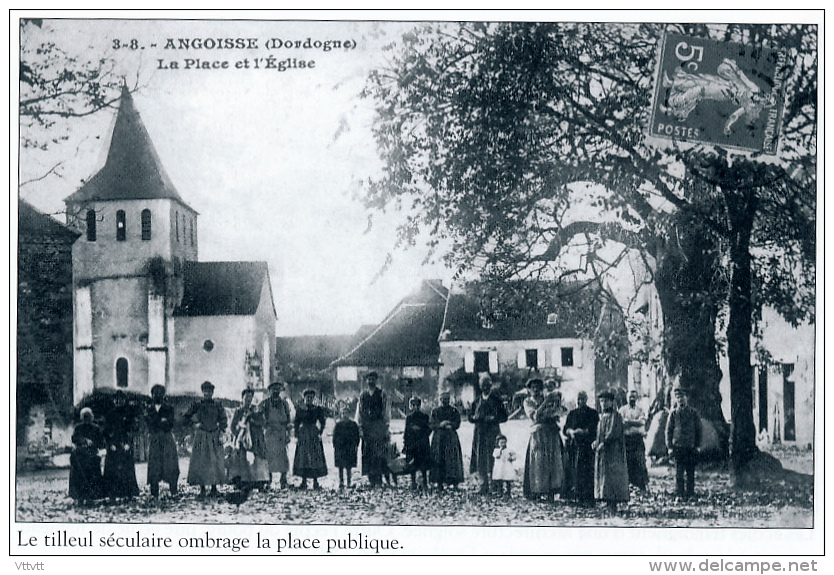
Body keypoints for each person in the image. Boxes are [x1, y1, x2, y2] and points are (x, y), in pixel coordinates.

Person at [183, 381, 227, 499]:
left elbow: (223, 419)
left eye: (210, 391)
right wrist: (194, 424)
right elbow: (186, 417)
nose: (207, 393)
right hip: (202, 435)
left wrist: (221, 430)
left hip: (214, 435)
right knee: (201, 461)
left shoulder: (218, 404)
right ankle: (202, 489)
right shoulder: (197, 404)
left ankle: (214, 488)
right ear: (202, 392)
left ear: (212, 392)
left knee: (214, 461)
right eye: (205, 391)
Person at [522, 378, 564, 501]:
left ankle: (551, 490)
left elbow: (556, 413)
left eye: (538, 387)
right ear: (529, 390)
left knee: (552, 461)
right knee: (538, 462)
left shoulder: (549, 399)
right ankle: (538, 490)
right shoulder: (528, 402)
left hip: (551, 433)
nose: (535, 390)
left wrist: (546, 411)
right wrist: (545, 404)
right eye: (533, 387)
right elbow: (535, 416)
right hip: (538, 434)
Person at [469, 374, 508, 494]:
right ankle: (483, 484)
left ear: (490, 386)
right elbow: (470, 417)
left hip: (493, 432)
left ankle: (496, 484)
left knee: (495, 457)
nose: (485, 387)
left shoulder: (497, 400)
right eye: (483, 385)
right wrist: (475, 417)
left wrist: (494, 418)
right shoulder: (476, 401)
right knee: (480, 458)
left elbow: (504, 416)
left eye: (487, 385)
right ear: (480, 387)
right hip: (480, 433)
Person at [593, 389, 629, 511]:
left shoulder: (616, 416)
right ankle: (606, 499)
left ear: (611, 402)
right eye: (601, 401)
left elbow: (613, 432)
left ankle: (613, 501)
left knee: (613, 476)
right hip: (603, 451)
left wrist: (604, 443)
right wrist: (596, 442)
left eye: (606, 401)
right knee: (604, 475)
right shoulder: (602, 416)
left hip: (613, 451)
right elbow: (600, 433)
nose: (603, 404)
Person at [228, 388, 270, 490]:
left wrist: (253, 422)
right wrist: (239, 434)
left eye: (250, 397)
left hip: (256, 439)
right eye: (246, 397)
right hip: (242, 439)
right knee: (241, 459)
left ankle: (259, 482)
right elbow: (232, 426)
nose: (248, 400)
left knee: (258, 459)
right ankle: (241, 481)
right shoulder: (238, 411)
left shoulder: (256, 410)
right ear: (242, 398)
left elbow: (263, 422)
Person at [665, 386, 702, 500]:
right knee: (679, 473)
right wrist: (669, 447)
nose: (680, 400)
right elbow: (668, 431)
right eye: (678, 398)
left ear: (687, 398)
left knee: (690, 472)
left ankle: (690, 493)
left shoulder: (693, 413)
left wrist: (698, 445)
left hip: (690, 447)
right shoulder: (673, 414)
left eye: (682, 397)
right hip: (678, 447)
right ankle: (679, 494)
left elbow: (698, 430)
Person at [103, 391, 140, 501]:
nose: (118, 402)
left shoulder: (129, 414)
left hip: (125, 443)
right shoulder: (109, 414)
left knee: (126, 469)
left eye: (121, 399)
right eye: (116, 400)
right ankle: (112, 494)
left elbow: (133, 430)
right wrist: (110, 443)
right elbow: (105, 431)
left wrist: (128, 443)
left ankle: (128, 493)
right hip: (113, 444)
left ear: (124, 400)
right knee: (112, 469)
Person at [563, 390, 599, 506]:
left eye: (582, 399)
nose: (580, 402)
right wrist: (571, 431)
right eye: (578, 399)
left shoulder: (592, 413)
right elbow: (565, 428)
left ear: (586, 400)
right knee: (572, 470)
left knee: (586, 471)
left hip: (587, 447)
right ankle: (574, 495)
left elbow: (595, 429)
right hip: (573, 446)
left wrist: (583, 431)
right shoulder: (572, 413)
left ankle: (587, 496)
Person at [356, 371, 390, 488]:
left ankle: (379, 478)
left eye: (373, 379)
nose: (371, 381)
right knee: (367, 453)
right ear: (366, 381)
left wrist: (385, 426)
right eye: (369, 379)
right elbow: (359, 412)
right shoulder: (363, 395)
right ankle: (371, 478)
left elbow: (386, 411)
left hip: (378, 426)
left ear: (376, 381)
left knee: (379, 453)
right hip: (367, 427)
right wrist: (360, 427)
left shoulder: (381, 394)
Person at [146, 384, 180, 498]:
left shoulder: (169, 408)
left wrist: (157, 422)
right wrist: (160, 421)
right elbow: (149, 424)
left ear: (163, 395)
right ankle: (154, 492)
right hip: (155, 439)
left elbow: (170, 424)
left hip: (167, 439)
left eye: (160, 393)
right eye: (155, 393)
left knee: (170, 464)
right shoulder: (149, 409)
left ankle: (173, 490)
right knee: (154, 465)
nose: (157, 395)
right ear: (152, 395)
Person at [293, 388, 328, 490]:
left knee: (315, 457)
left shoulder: (317, 409)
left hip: (313, 434)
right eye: (307, 397)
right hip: (303, 434)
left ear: (313, 398)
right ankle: (303, 481)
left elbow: (323, 421)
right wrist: (296, 434)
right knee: (303, 457)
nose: (309, 399)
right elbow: (296, 422)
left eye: (311, 397)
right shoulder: (300, 409)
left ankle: (315, 482)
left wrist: (320, 432)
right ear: (304, 398)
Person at [429, 391, 464, 491]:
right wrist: (440, 425)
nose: (445, 401)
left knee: (452, 460)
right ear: (440, 400)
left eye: (447, 399)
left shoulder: (454, 410)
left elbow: (457, 423)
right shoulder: (435, 411)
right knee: (439, 459)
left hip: (450, 438)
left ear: (449, 400)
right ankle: (439, 481)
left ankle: (453, 482)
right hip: (439, 439)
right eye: (443, 399)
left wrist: (450, 424)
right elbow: (431, 424)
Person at [69, 407, 105, 504]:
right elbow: (74, 438)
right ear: (82, 418)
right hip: (81, 455)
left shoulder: (95, 428)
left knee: (92, 473)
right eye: (85, 417)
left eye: (88, 417)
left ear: (92, 417)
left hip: (92, 455)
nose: (87, 419)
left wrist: (94, 443)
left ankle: (91, 497)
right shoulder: (78, 428)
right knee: (79, 473)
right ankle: (80, 497)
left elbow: (101, 443)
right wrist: (84, 441)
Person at [262, 381, 292, 489]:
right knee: (268, 456)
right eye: (273, 389)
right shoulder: (265, 403)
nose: (275, 391)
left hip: (281, 432)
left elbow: (288, 419)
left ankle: (283, 480)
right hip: (270, 433)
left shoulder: (284, 404)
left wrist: (288, 433)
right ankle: (268, 480)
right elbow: (261, 419)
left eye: (277, 389)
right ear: (269, 391)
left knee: (283, 456)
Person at [619, 389, 649, 492]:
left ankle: (642, 486)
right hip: (626, 439)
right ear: (626, 398)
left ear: (636, 399)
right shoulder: (622, 410)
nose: (632, 399)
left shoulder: (640, 410)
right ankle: (627, 486)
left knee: (640, 461)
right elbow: (621, 423)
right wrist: (634, 422)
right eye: (630, 397)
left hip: (637, 439)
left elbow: (642, 422)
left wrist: (630, 422)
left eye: (633, 397)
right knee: (627, 461)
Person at [403, 397, 432, 492]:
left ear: (420, 406)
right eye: (413, 405)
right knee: (412, 464)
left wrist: (420, 431)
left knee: (423, 464)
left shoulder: (425, 417)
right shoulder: (409, 418)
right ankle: (413, 482)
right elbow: (406, 432)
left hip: (422, 442)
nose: (416, 407)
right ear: (411, 406)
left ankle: (424, 481)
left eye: (417, 405)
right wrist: (406, 443)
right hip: (412, 443)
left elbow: (429, 429)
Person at [332, 405, 360, 489]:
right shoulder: (338, 425)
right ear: (341, 414)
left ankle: (349, 481)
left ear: (349, 414)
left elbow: (356, 436)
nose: (345, 415)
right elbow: (334, 436)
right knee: (340, 466)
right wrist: (335, 445)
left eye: (347, 413)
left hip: (349, 447)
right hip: (340, 447)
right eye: (343, 413)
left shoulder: (353, 424)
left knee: (348, 466)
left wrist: (356, 444)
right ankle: (341, 481)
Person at [491, 434, 517, 500]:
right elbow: (496, 456)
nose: (503, 444)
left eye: (504, 442)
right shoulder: (496, 450)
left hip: (506, 467)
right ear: (498, 443)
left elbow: (514, 455)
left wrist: (511, 458)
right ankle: (500, 492)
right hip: (499, 467)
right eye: (501, 443)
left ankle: (508, 493)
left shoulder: (509, 450)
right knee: (499, 481)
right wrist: (500, 450)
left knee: (507, 480)